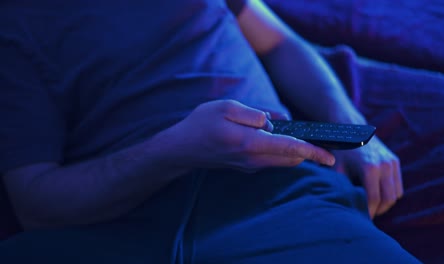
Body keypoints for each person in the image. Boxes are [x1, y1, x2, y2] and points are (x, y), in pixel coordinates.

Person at [0, 0, 420, 263]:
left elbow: (280, 44)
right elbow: (35, 203)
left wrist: (351, 133)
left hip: (277, 191)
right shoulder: (15, 24)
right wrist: (175, 149)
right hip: (114, 224)